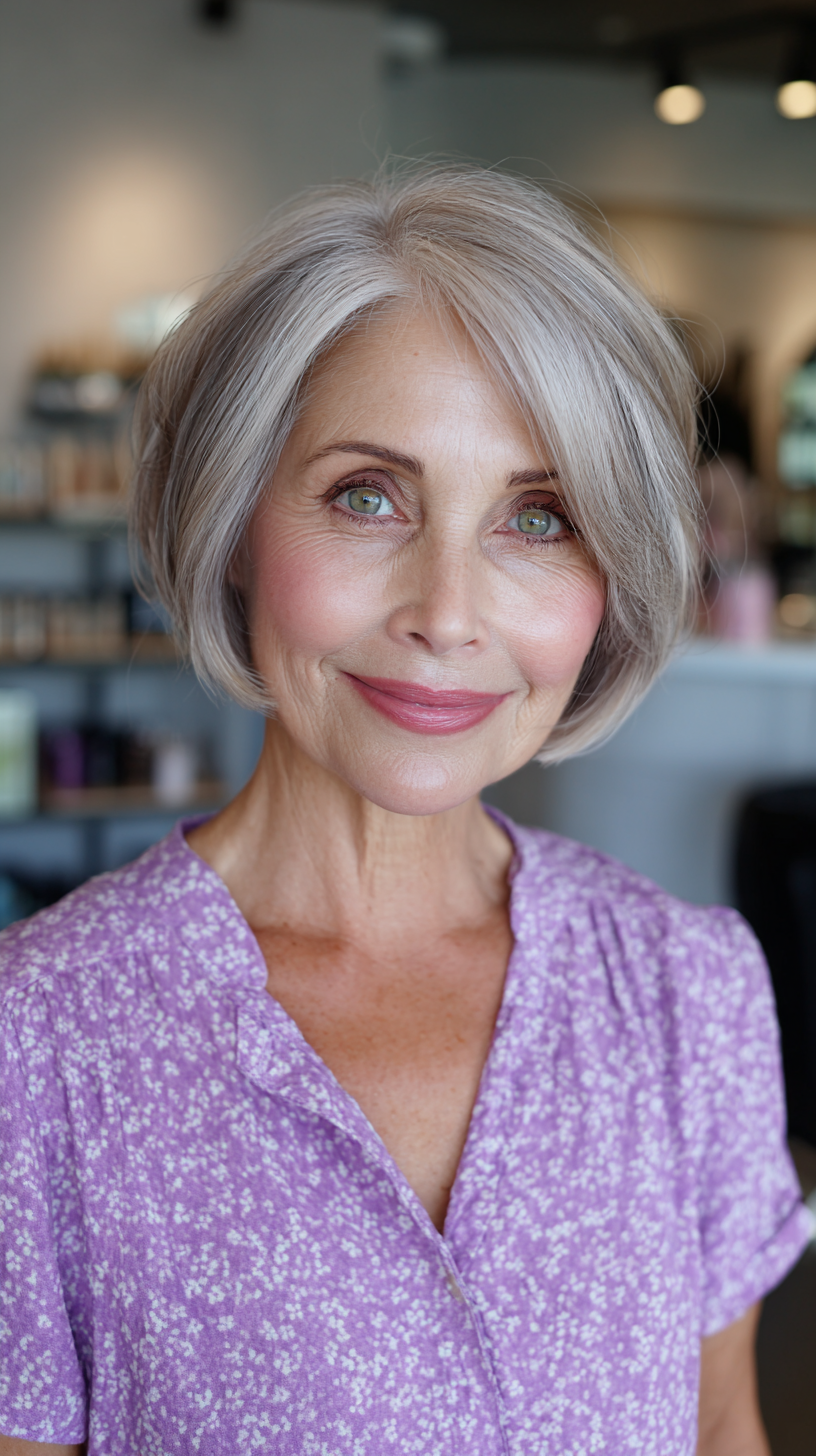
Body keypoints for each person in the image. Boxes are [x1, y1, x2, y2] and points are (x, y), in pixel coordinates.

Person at [0, 166, 809, 1456]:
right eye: (367, 495)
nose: (447, 611)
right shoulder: (42, 1043)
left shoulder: (688, 994)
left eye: (539, 518)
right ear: (234, 522)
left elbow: (722, 1426)